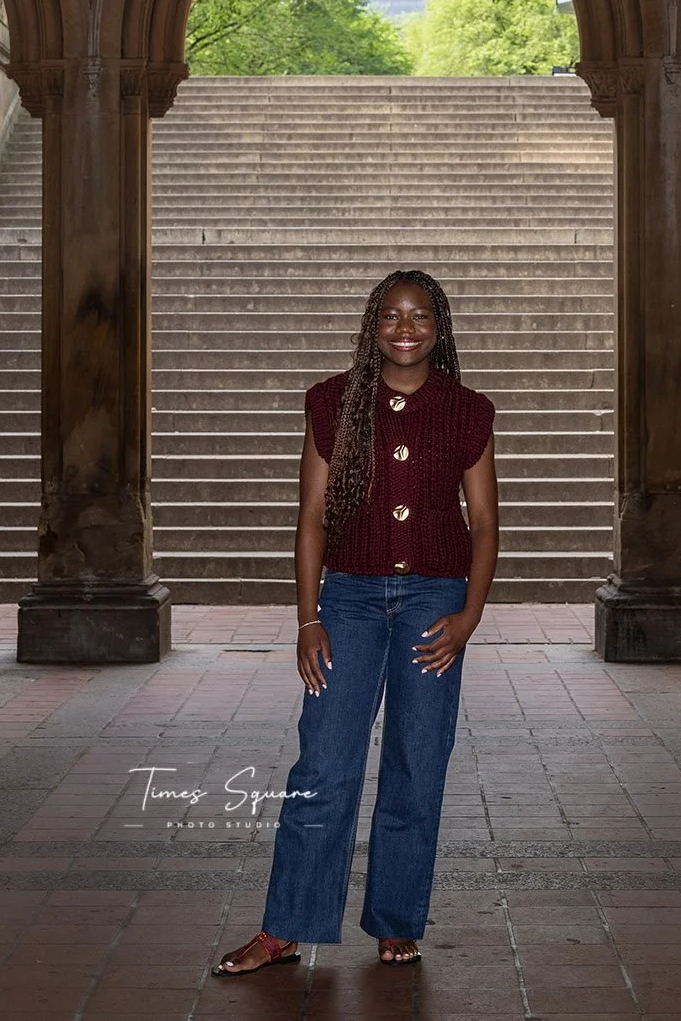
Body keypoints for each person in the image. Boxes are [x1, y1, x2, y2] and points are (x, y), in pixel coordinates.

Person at [215, 269, 499, 973]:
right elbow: (311, 517)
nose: (406, 328)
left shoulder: (467, 411)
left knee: (416, 761)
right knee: (324, 762)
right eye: (391, 316)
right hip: (348, 600)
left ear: (439, 325)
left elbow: (485, 524)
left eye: (420, 315)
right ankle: (286, 926)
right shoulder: (331, 402)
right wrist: (307, 618)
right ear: (373, 325)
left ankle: (397, 920)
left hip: (433, 600)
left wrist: (469, 616)